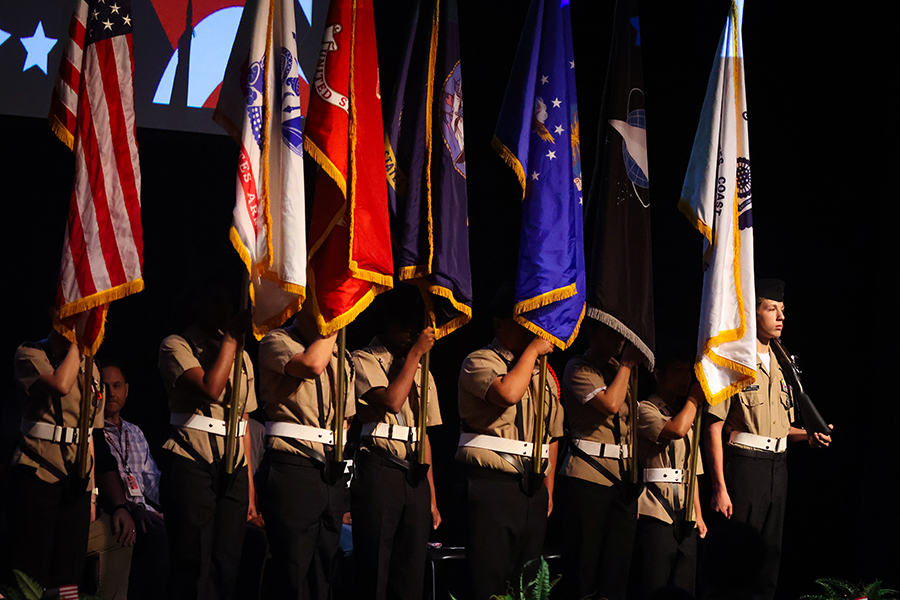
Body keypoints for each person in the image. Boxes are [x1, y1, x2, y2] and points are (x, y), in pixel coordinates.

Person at [705, 279, 832, 600]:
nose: (781, 317)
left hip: (779, 465)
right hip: (746, 466)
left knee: (769, 557)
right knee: (737, 554)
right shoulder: (734, 358)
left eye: (783, 310)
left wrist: (809, 436)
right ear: (752, 311)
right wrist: (719, 487)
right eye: (771, 309)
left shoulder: (782, 361)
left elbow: (777, 426)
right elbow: (714, 426)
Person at [456, 285, 563, 600]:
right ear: (499, 324)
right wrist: (532, 352)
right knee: (491, 581)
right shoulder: (479, 360)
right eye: (521, 322)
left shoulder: (543, 374)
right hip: (492, 485)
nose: (530, 331)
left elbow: (553, 435)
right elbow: (508, 393)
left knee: (528, 584)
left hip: (531, 488)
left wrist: (549, 490)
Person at [9, 328, 133, 598]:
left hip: (76, 481)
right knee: (31, 572)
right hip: (38, 472)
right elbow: (61, 385)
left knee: (68, 575)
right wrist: (79, 343)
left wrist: (90, 493)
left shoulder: (93, 368)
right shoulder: (30, 353)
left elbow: (89, 433)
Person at [158, 287, 258, 600]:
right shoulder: (176, 345)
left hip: (234, 467)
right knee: (192, 564)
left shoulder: (241, 356)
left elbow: (243, 424)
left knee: (226, 565)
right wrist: (230, 338)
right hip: (193, 461)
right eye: (215, 299)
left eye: (227, 301)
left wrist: (251, 493)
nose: (225, 308)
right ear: (196, 304)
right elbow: (211, 388)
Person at [257, 305, 354, 600]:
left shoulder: (342, 355)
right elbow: (311, 365)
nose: (329, 314)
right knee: (292, 568)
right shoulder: (276, 341)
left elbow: (347, 419)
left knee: (323, 567)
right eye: (323, 307)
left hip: (330, 469)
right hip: (293, 465)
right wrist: (335, 327)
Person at [350, 290, 442, 600]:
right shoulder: (363, 359)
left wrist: (430, 496)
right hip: (380, 467)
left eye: (414, 326)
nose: (410, 332)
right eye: (402, 324)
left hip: (413, 474)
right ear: (384, 324)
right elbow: (391, 401)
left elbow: (423, 434)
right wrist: (415, 354)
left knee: (410, 570)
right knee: (375, 565)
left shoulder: (420, 370)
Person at [557, 317, 643, 600]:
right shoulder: (578, 367)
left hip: (622, 479)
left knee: (616, 570)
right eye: (612, 331)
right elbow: (610, 404)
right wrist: (628, 365)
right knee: (584, 566)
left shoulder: (619, 370)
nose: (621, 339)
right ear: (592, 333)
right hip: (587, 476)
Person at [635, 354, 707, 598]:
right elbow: (675, 430)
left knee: (684, 587)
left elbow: (693, 470)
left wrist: (698, 515)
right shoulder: (644, 409)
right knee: (654, 585)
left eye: (689, 371)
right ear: (658, 375)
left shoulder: (686, 413)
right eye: (678, 370)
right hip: (655, 511)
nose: (686, 378)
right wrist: (695, 399)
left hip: (685, 516)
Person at [99, 360, 168, 600]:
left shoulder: (134, 431)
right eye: (105, 386)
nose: (111, 393)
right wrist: (131, 508)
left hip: (144, 510)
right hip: (113, 510)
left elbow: (151, 480)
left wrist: (177, 506)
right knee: (157, 540)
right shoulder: (93, 432)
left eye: (116, 386)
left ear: (126, 390)